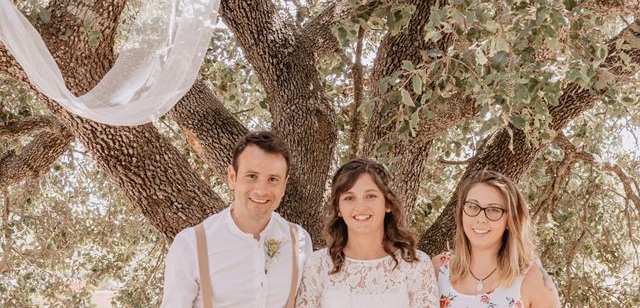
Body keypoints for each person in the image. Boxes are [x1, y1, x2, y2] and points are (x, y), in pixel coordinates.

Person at [161, 131, 312, 308]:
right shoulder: (191, 244)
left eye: (273, 179)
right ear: (232, 177)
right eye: (252, 176)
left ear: (284, 185)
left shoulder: (299, 240)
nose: (261, 190)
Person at [296, 158, 438, 307]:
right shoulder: (318, 265)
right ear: (339, 208)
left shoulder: (416, 265)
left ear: (387, 203)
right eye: (349, 198)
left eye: (371, 196)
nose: (360, 206)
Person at [434, 170, 561, 308]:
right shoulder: (438, 269)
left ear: (509, 219)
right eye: (472, 206)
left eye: (494, 210)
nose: (481, 219)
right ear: (461, 212)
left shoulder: (533, 279)